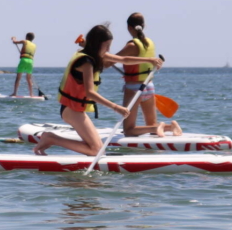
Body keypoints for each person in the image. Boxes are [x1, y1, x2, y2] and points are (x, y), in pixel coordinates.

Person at [33, 24, 163, 156]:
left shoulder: (96, 55)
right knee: (96, 150)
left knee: (98, 149)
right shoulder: (86, 62)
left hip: (75, 109)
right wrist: (115, 107)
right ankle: (51, 138)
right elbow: (90, 92)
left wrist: (150, 60)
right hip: (71, 110)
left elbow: (124, 59)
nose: (108, 49)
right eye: (106, 46)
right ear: (97, 44)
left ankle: (52, 139)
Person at [115, 13, 182, 138]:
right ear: (144, 26)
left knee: (128, 131)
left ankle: (162, 127)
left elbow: (109, 61)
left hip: (134, 89)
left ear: (129, 27)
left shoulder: (132, 45)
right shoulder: (150, 43)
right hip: (149, 87)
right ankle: (169, 127)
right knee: (152, 127)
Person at [10, 33, 38, 97]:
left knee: (18, 78)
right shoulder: (34, 45)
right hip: (31, 61)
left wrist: (13, 38)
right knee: (29, 79)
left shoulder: (25, 41)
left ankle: (15, 93)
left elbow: (15, 42)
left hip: (24, 60)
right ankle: (31, 94)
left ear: (27, 37)